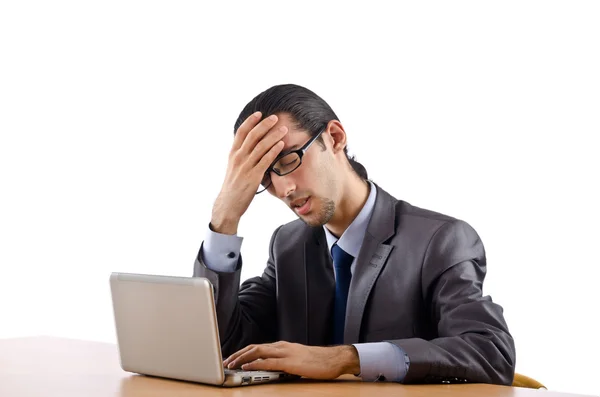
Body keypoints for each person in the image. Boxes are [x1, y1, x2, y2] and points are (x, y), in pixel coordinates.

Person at [193, 84, 516, 384]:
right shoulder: (288, 244)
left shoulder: (440, 240)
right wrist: (224, 219)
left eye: (288, 160)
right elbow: (224, 344)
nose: (283, 189)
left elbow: (490, 353)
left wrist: (347, 358)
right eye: (263, 177)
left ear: (334, 137)